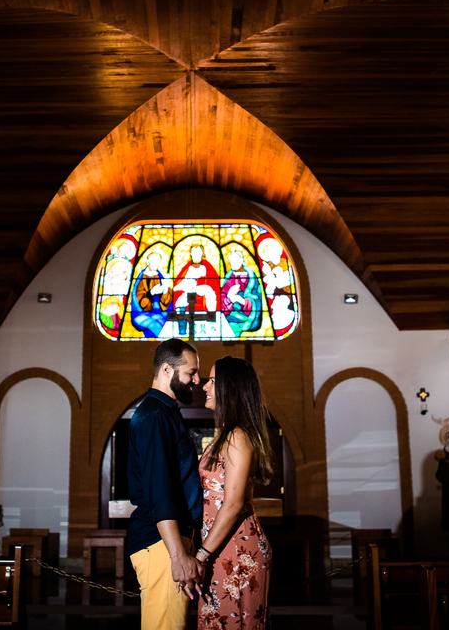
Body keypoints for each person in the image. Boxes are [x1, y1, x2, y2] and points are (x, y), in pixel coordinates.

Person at [128, 339, 205, 629]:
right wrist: (178, 555)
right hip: (160, 544)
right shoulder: (154, 416)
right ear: (166, 370)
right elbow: (161, 492)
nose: (196, 381)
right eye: (191, 373)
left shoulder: (166, 412)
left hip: (169, 541)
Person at [195, 356, 273, 629]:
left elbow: (234, 503)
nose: (205, 386)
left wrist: (202, 554)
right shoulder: (225, 434)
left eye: (213, 381)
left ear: (231, 388)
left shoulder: (237, 436)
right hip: (220, 544)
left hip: (237, 549)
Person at [220, 248, 262, 337]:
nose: (233, 263)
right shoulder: (229, 277)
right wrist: (229, 299)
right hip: (229, 313)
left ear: (242, 260)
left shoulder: (251, 278)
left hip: (246, 315)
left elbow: (256, 297)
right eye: (231, 261)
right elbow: (223, 294)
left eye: (235, 260)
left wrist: (241, 300)